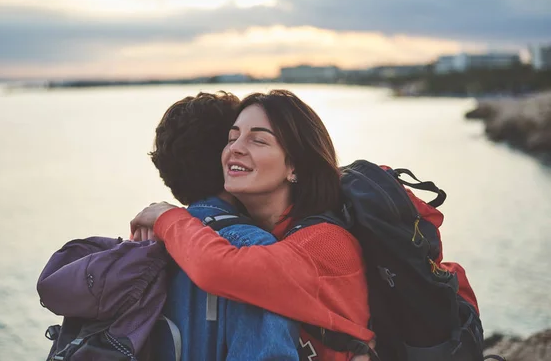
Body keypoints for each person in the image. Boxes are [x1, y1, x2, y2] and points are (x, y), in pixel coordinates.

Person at [132, 90, 375, 361]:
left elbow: (219, 269)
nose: (235, 147)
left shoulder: (324, 243)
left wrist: (168, 217)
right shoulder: (267, 233)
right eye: (232, 137)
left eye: (258, 140)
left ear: (294, 167)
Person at [142, 91, 300, 360]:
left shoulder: (149, 237)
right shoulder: (252, 247)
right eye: (233, 138)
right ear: (225, 156)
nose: (238, 147)